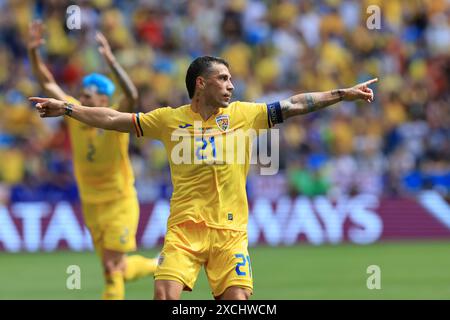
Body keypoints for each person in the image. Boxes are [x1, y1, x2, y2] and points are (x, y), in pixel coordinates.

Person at [30, 55, 377, 300]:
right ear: (201, 83)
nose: (231, 85)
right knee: (165, 296)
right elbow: (111, 118)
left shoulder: (245, 114)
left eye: (230, 79)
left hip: (230, 234)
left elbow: (295, 104)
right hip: (184, 231)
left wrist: (343, 93)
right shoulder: (167, 120)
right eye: (223, 79)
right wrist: (68, 108)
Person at [27, 20, 157, 300]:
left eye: (88, 96)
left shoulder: (115, 122)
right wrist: (33, 53)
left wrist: (111, 61)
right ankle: (160, 265)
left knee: (111, 266)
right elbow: (47, 82)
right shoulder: (73, 112)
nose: (80, 99)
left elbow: (132, 96)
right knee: (115, 267)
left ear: (102, 101)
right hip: (91, 203)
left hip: (118, 201)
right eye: (81, 94)